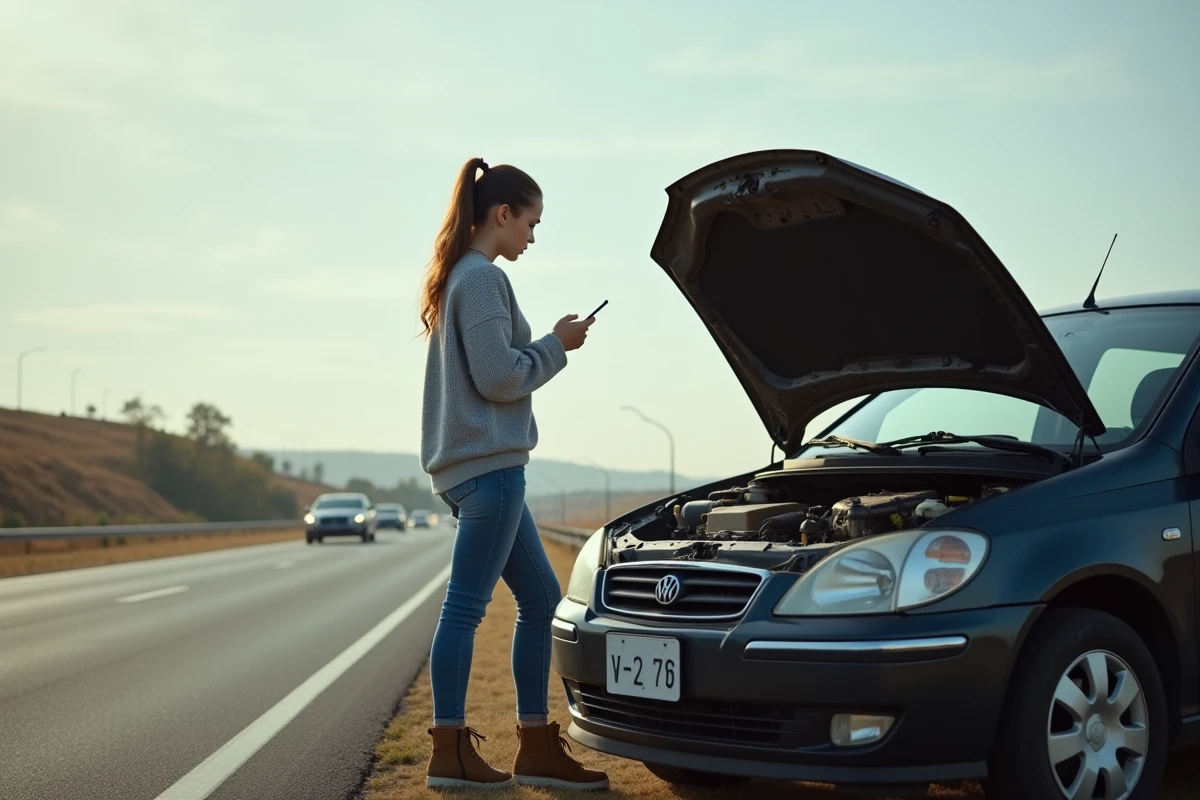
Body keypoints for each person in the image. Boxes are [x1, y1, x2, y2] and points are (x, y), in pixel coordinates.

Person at [418, 156, 609, 791]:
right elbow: (499, 377)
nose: (533, 236)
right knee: (466, 609)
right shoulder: (480, 280)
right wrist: (558, 344)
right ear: (502, 215)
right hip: (492, 472)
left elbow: (491, 370)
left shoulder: (460, 278)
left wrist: (548, 344)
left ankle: (535, 746)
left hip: (476, 472)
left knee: (542, 602)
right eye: (531, 222)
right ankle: (450, 752)